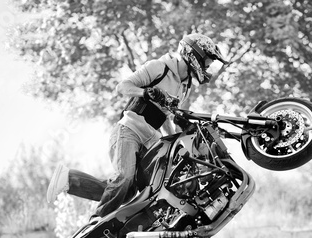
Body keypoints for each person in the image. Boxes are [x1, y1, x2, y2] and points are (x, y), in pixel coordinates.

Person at [46, 33, 228, 219]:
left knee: (127, 192)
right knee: (124, 179)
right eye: (207, 61)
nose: (208, 67)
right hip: (128, 131)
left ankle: (68, 179)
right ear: (194, 54)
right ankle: (97, 221)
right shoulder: (159, 67)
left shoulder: (185, 87)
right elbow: (123, 87)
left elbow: (165, 117)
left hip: (150, 139)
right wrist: (146, 93)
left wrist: (173, 141)